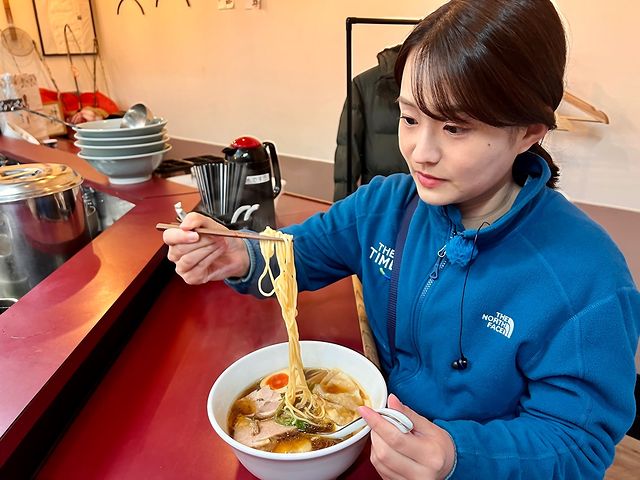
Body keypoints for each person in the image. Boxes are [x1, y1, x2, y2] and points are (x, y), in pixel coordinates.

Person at [163, 1, 640, 478]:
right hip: (376, 441)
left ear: (528, 133)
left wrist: (457, 456)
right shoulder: (385, 206)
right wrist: (238, 252)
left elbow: (577, 442)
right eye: (410, 119)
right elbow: (297, 253)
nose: (420, 152)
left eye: (454, 128)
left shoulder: (586, 277)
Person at [333, 45, 408, 201]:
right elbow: (347, 145)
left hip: (431, 198)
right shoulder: (364, 84)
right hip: (378, 197)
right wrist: (343, 206)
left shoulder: (442, 79)